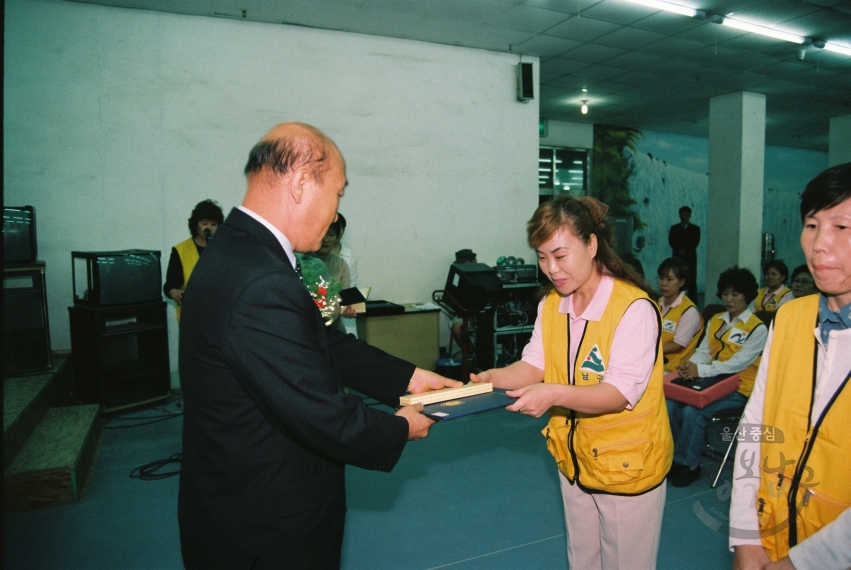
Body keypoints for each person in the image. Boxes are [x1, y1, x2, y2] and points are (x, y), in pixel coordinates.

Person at [177, 122, 460, 570]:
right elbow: (323, 415)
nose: (335, 213)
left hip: (241, 498)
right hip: (267, 525)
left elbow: (316, 342)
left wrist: (408, 378)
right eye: (339, 194)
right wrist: (401, 427)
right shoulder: (259, 279)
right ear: (303, 182)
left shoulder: (241, 252)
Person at [472, 195, 673, 570]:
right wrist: (491, 379)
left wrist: (552, 395)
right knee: (583, 561)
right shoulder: (552, 304)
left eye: (560, 255)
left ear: (592, 244)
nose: (551, 268)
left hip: (627, 469)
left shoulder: (634, 309)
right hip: (576, 461)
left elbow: (617, 394)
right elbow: (534, 365)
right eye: (542, 257)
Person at [729, 162, 851, 570]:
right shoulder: (792, 317)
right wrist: (745, 536)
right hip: (769, 535)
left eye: (842, 227)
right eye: (812, 225)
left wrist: (804, 563)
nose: (819, 245)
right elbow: (755, 424)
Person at [667, 267, 767, 488]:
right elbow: (704, 351)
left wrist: (700, 371)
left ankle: (689, 464)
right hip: (710, 381)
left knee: (695, 411)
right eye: (725, 294)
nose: (728, 300)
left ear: (747, 296)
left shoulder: (757, 329)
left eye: (735, 294)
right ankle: (675, 457)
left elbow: (737, 364)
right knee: (671, 403)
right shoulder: (717, 320)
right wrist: (691, 364)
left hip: (740, 387)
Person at [163, 199, 224, 320]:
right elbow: (170, 285)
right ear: (195, 224)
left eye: (213, 224)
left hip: (219, 315)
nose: (209, 228)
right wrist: (174, 292)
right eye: (204, 223)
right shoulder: (180, 250)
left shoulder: (224, 249)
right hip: (192, 316)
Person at [657, 257, 704, 373]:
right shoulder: (658, 303)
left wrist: (646, 350)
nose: (664, 283)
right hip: (653, 362)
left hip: (672, 369)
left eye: (670, 279)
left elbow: (677, 346)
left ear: (682, 282)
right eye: (661, 278)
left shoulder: (689, 311)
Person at [668, 205, 701, 301]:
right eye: (682, 215)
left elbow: (695, 242)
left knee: (691, 281)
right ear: (679, 216)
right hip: (677, 258)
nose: (684, 217)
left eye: (686, 215)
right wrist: (679, 250)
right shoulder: (674, 228)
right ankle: (677, 300)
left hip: (690, 258)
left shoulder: (695, 229)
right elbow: (671, 241)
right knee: (677, 279)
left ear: (689, 216)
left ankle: (693, 302)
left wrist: (685, 250)